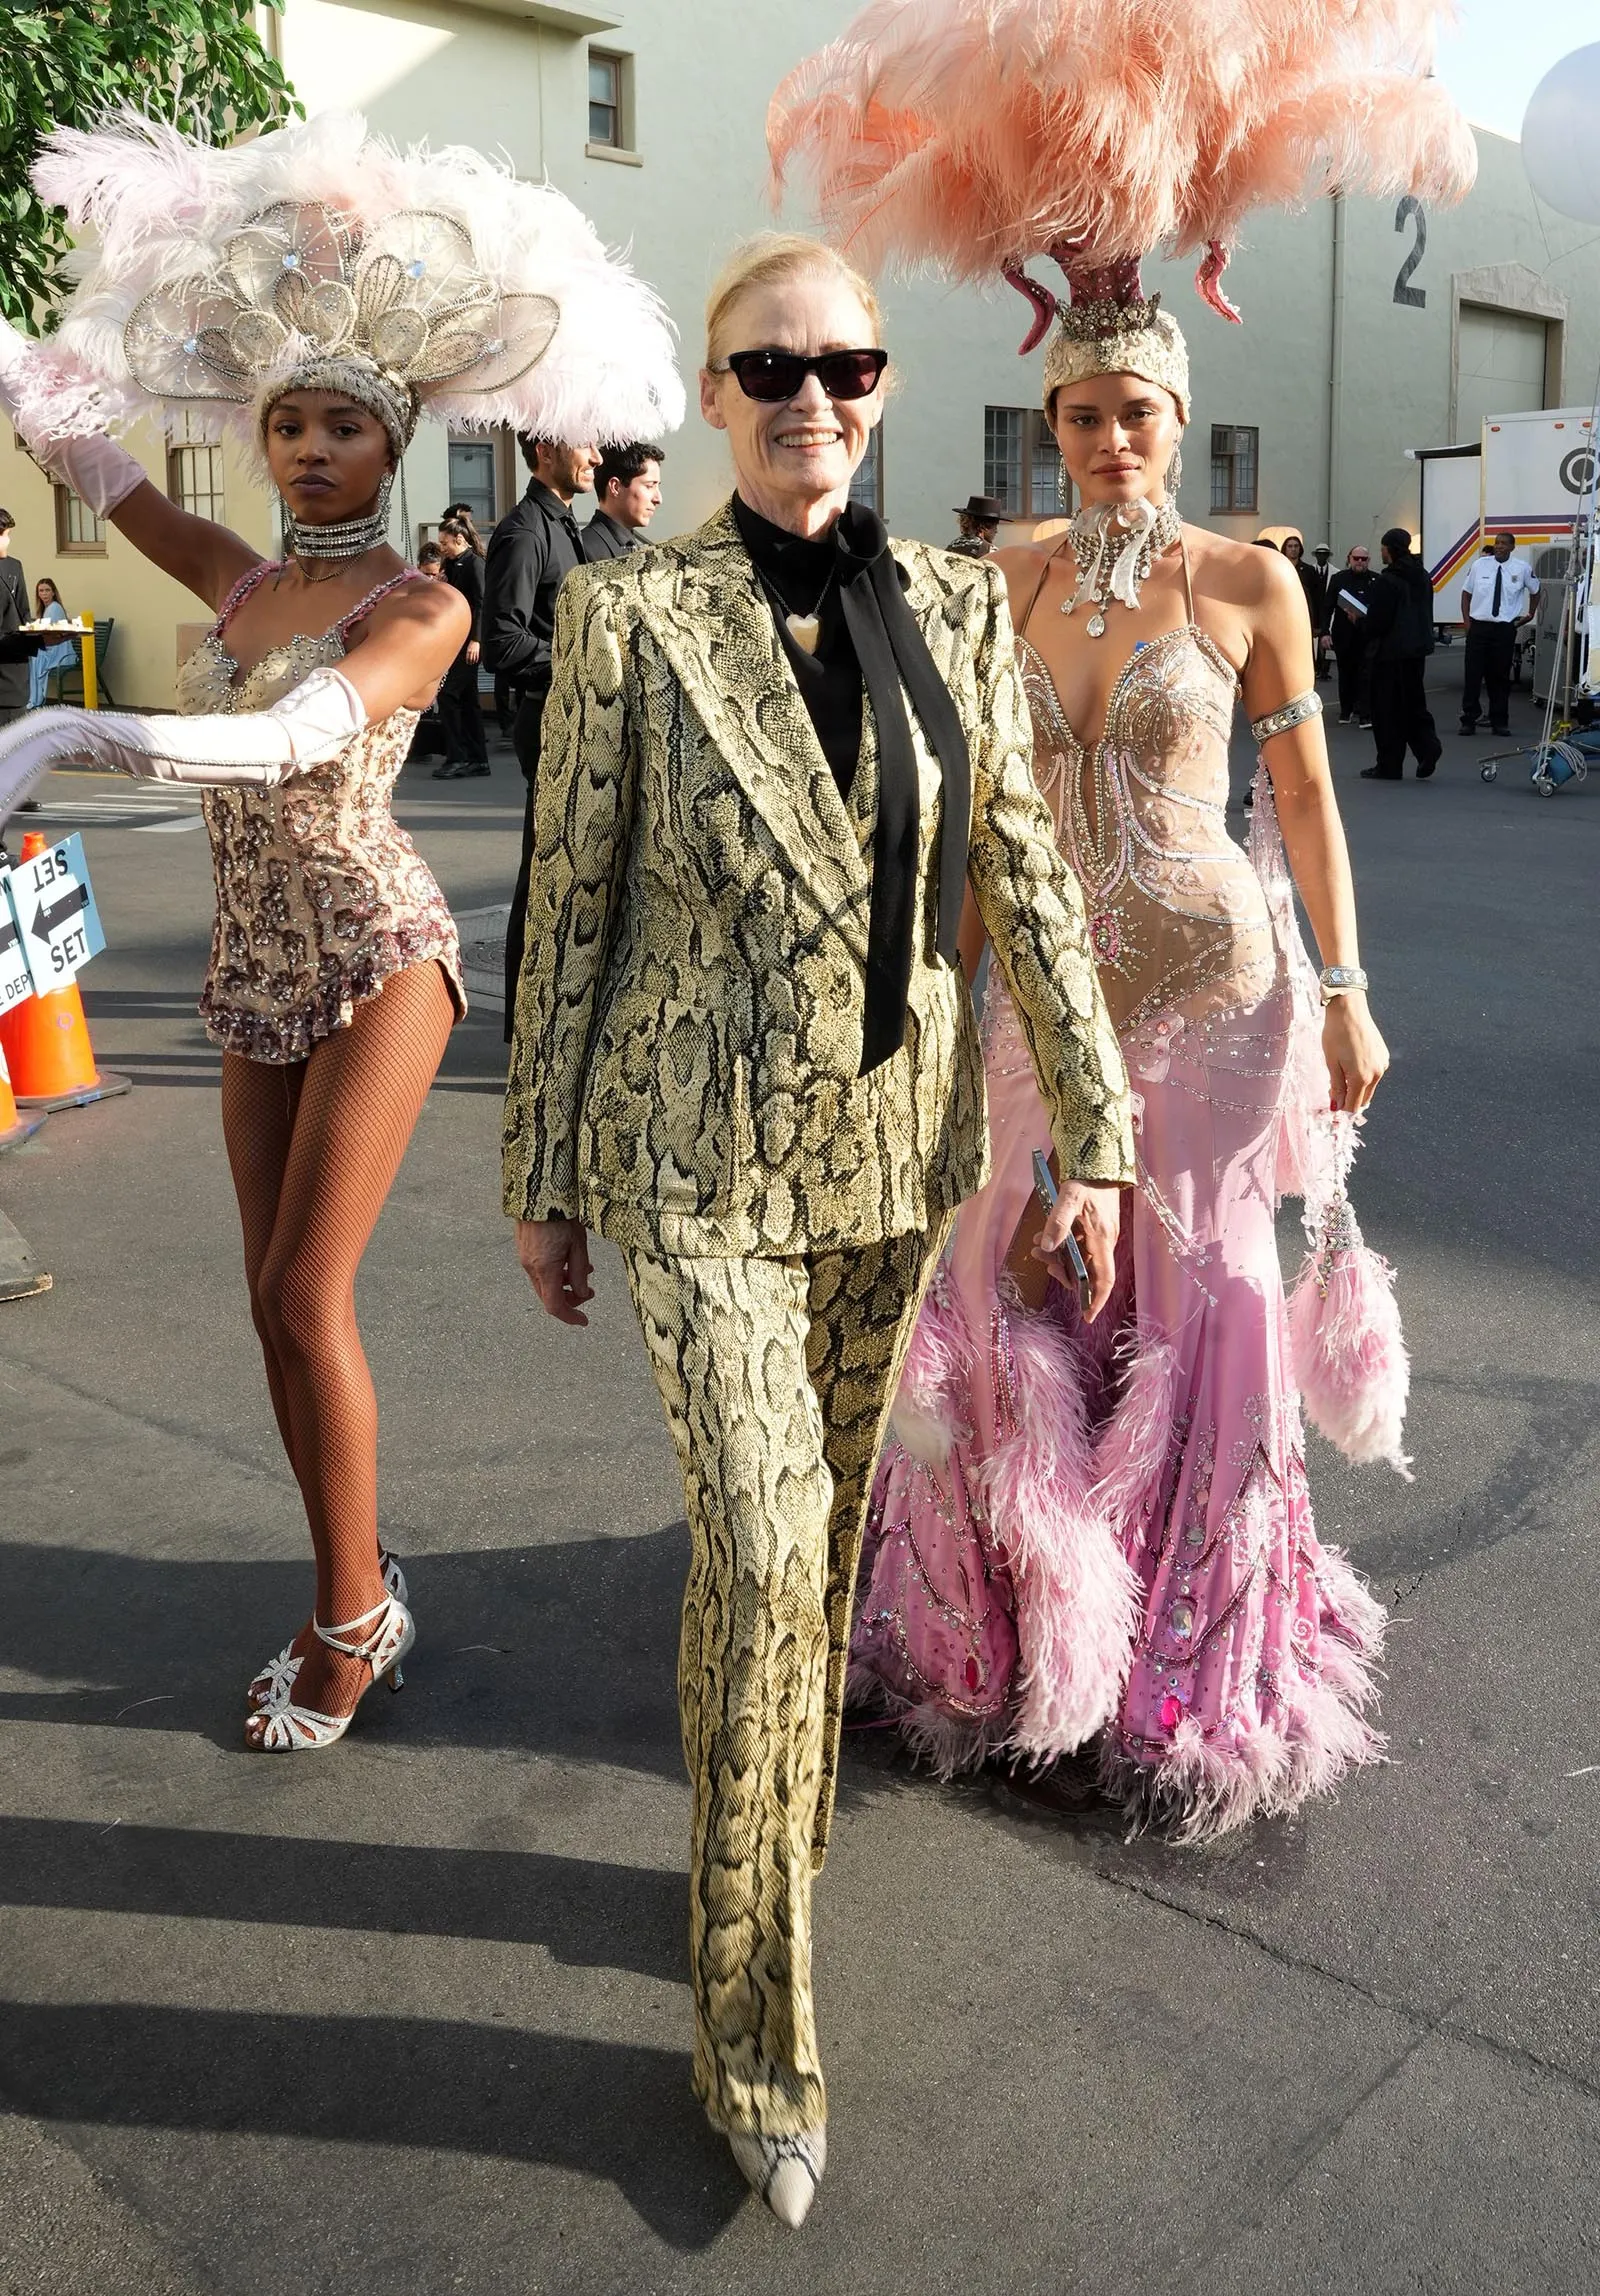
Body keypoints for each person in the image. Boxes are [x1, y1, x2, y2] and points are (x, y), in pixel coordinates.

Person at [771, 0, 1466, 1837]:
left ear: (1179, 418)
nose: (1105, 440)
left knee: (1210, 1293)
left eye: (1134, 414)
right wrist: (924, 981)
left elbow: (1303, 803)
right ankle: (1016, 1638)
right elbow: (944, 795)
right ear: (1051, 421)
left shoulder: (1249, 583)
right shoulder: (996, 574)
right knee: (1014, 1282)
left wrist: (1348, 991)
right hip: (1035, 996)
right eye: (1077, 416)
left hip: (1220, 990)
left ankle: (1188, 1661)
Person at [502, 231, 1133, 2225]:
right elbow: (569, 899)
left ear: (880, 387)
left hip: (887, 1162)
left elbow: (1023, 876)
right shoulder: (627, 612)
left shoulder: (951, 602)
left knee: (808, 1550)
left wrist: (1094, 1136)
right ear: (712, 396)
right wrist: (541, 1166)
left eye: (841, 366)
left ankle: (751, 1844)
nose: (808, 400)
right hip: (689, 1165)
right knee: (772, 1558)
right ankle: (756, 2031)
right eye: (766, 369)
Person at [0, 108, 683, 1748]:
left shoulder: (419, 604)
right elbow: (87, 462)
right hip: (252, 965)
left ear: (395, 446)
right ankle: (357, 1578)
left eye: (344, 427)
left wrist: (81, 733)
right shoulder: (241, 586)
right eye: (289, 424)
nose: (311, 449)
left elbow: (301, 741)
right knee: (269, 1302)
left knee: (309, 1294)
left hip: (378, 953)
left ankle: (349, 1626)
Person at [480, 433, 599, 1025]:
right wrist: (581, 660)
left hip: (570, 713)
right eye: (586, 446)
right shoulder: (526, 531)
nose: (596, 458)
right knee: (541, 877)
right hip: (547, 716)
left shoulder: (562, 522)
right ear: (547, 450)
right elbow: (502, 643)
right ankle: (524, 1025)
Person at [1363, 527, 1441, 780]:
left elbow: (1378, 621)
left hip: (1389, 653)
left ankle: (1389, 764)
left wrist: (1360, 621)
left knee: (1386, 710)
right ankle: (1428, 747)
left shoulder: (1387, 580)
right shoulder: (1422, 576)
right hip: (1416, 650)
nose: (1381, 552)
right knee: (1413, 703)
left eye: (1383, 548)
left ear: (1390, 549)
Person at [1460, 529, 1537, 738]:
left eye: (1504, 543)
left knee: (1500, 677)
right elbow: (1466, 594)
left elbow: (1535, 590)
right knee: (1473, 675)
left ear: (1512, 547)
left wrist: (1530, 614)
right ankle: (1469, 719)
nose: (1499, 546)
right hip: (1479, 627)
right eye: (1497, 542)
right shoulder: (1479, 565)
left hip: (1504, 629)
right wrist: (1467, 622)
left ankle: (1499, 721)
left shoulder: (1522, 568)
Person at [431, 516, 489, 779]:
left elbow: (481, 602)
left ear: (460, 539)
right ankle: (477, 759)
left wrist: (477, 639)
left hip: (468, 642)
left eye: (445, 542)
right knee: (468, 700)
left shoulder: (474, 564)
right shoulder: (451, 565)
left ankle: (458, 756)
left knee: (449, 696)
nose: (442, 547)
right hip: (454, 639)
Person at [582, 440, 664, 559]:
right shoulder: (585, 550)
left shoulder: (632, 546)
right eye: (649, 486)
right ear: (615, 487)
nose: (658, 499)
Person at [1328, 545, 1378, 724]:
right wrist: (1324, 632)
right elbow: (1327, 606)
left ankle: (1365, 713)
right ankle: (1346, 710)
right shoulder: (1338, 579)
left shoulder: (1376, 580)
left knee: (1366, 674)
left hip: (1367, 635)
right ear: (1349, 559)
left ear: (1368, 561)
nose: (1359, 562)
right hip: (1344, 634)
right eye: (1356, 558)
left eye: (1363, 559)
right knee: (1345, 673)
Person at [25, 576, 76, 710]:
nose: (44, 594)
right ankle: (32, 696)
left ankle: (35, 698)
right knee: (29, 653)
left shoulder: (54, 608)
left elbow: (50, 635)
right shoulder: (45, 609)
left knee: (33, 655)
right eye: (41, 591)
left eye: (47, 590)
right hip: (52, 647)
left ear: (53, 592)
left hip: (60, 650)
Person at [0, 511, 29, 729]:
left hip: (14, 683)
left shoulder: (13, 567)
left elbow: (23, 616)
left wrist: (40, 637)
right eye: (5, 535)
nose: (8, 541)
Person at [947, 492, 1005, 556]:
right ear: (984, 527)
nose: (996, 531)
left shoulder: (953, 545)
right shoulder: (988, 551)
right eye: (995, 526)